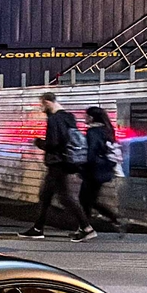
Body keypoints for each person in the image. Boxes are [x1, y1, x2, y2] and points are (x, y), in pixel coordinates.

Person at [27, 91, 91, 240]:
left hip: (57, 162)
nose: (41, 108)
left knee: (64, 197)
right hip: (66, 161)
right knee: (47, 196)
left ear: (47, 102)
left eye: (42, 104)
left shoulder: (55, 120)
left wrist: (39, 142)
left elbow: (53, 143)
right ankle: (38, 228)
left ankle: (86, 227)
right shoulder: (69, 117)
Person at [81, 104, 123, 232]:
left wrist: (85, 165)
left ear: (92, 118)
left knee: (85, 199)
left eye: (86, 115)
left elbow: (92, 151)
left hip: (93, 169)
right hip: (103, 169)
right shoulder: (107, 130)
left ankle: (86, 227)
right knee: (88, 199)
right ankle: (85, 227)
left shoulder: (93, 132)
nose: (84, 117)